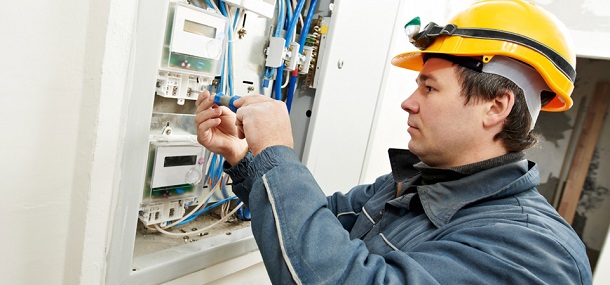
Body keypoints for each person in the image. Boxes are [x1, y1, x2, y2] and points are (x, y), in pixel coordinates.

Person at [195, 0, 592, 283]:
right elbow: (325, 222)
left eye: (430, 88)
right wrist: (249, 158)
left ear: (495, 107)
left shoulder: (533, 252)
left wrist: (278, 156)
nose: (408, 103)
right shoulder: (418, 184)